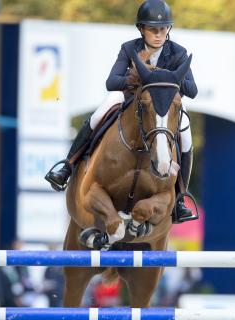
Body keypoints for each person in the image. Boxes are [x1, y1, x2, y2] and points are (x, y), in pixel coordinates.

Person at [45, 0, 198, 222]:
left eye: (163, 29)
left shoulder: (178, 53)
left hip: (165, 104)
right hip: (132, 99)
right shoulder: (130, 48)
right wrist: (138, 79)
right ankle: (67, 166)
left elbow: (192, 90)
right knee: (101, 111)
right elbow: (111, 81)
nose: (158, 35)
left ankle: (181, 197)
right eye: (153, 30)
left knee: (186, 133)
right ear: (141, 30)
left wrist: (163, 80)